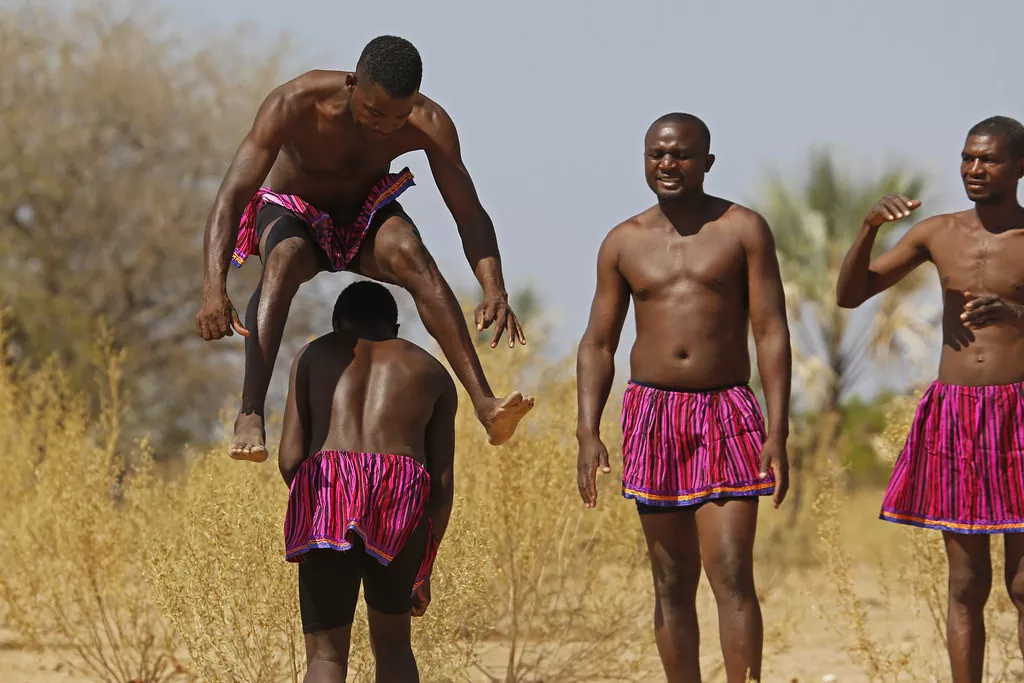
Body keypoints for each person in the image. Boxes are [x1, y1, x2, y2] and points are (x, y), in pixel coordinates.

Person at [194, 35, 533, 462]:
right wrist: (214, 288)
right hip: (293, 211)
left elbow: (468, 213)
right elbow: (230, 196)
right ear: (353, 83)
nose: (386, 126)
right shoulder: (295, 102)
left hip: (364, 213)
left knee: (411, 252)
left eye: (398, 116)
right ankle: (250, 412)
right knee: (284, 258)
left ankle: (486, 405)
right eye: (375, 112)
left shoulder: (428, 122)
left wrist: (494, 287)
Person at [575, 113, 792, 683]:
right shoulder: (623, 241)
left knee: (731, 572)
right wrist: (587, 431)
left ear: (707, 163)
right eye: (656, 154)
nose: (667, 164)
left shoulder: (743, 229)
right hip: (653, 415)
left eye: (681, 155)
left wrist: (778, 431)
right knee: (671, 583)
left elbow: (771, 331)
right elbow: (598, 343)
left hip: (727, 411)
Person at [836, 115, 1024, 683]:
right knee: (967, 583)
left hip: (1021, 414)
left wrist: (1017, 314)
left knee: (1023, 585)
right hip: (958, 413)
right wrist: (868, 227)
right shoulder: (936, 233)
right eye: (967, 158)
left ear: (1020, 167)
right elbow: (851, 293)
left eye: (987, 160)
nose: (973, 169)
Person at [278, 280, 455, 683]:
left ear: (337, 323)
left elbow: (290, 458)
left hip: (327, 487)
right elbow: (442, 488)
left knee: (325, 657)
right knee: (394, 647)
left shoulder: (311, 356)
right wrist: (423, 564)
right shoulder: (432, 371)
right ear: (394, 327)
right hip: (401, 493)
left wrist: (321, 502)